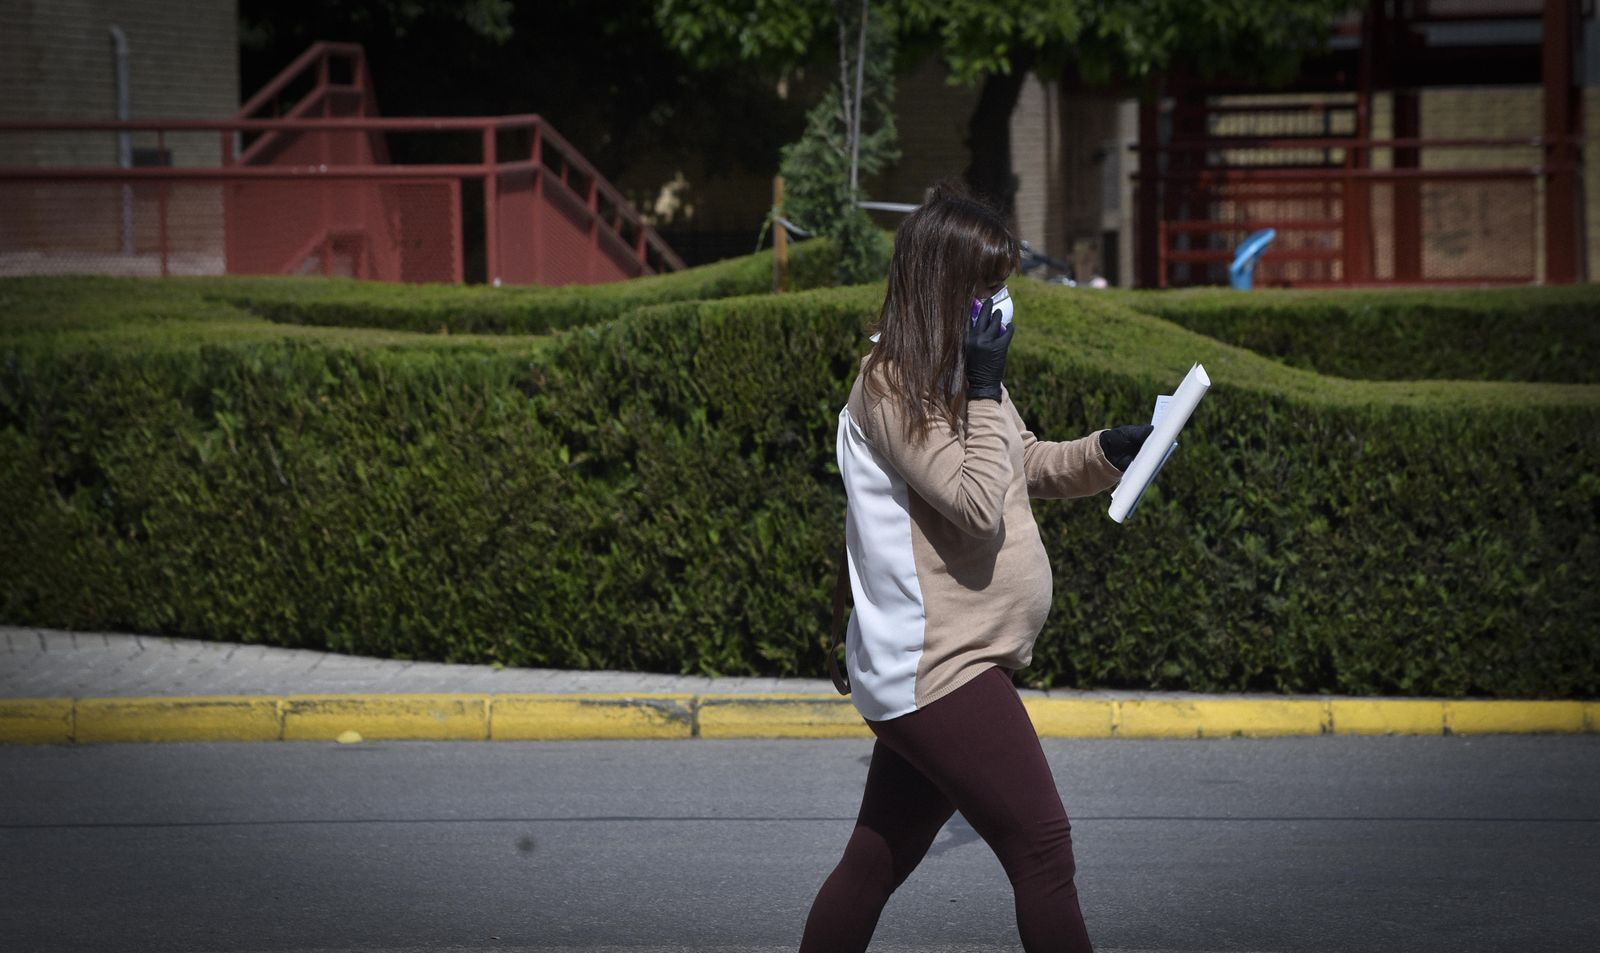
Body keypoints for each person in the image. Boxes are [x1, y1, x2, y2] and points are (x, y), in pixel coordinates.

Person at [799, 183, 1152, 953]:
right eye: (985, 285)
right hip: (936, 668)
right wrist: (988, 385)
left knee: (874, 859)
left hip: (949, 664)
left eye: (1001, 286)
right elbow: (975, 503)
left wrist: (1107, 452)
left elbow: (1016, 461)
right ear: (942, 285)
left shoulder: (956, 367)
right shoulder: (889, 385)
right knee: (1044, 849)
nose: (998, 303)